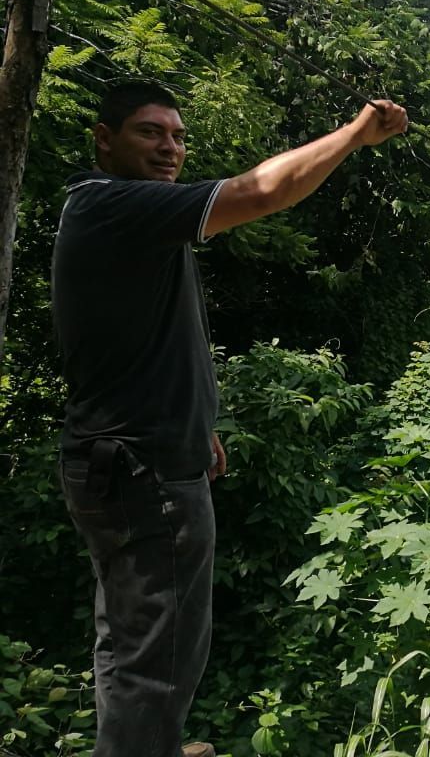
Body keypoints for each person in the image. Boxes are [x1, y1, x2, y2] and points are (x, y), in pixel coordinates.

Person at [52, 80, 409, 757]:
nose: (170, 148)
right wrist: (353, 136)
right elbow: (261, 191)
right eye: (150, 132)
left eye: (179, 136)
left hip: (130, 457)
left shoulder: (124, 217)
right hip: (143, 471)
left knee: (132, 644)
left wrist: (198, 423)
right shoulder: (112, 204)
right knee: (156, 665)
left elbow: (144, 342)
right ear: (104, 139)